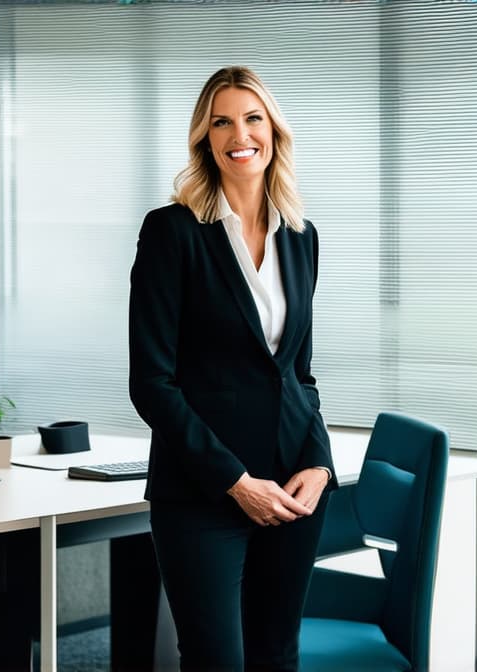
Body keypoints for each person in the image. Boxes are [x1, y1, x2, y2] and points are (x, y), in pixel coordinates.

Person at [128, 65, 338, 672]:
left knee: (276, 656)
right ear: (205, 137)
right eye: (221, 121)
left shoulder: (301, 237)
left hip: (292, 492)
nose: (238, 134)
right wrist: (236, 483)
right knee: (216, 659)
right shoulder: (172, 233)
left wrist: (319, 464)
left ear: (273, 131)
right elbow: (152, 382)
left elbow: (299, 372)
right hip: (203, 494)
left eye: (252, 118)